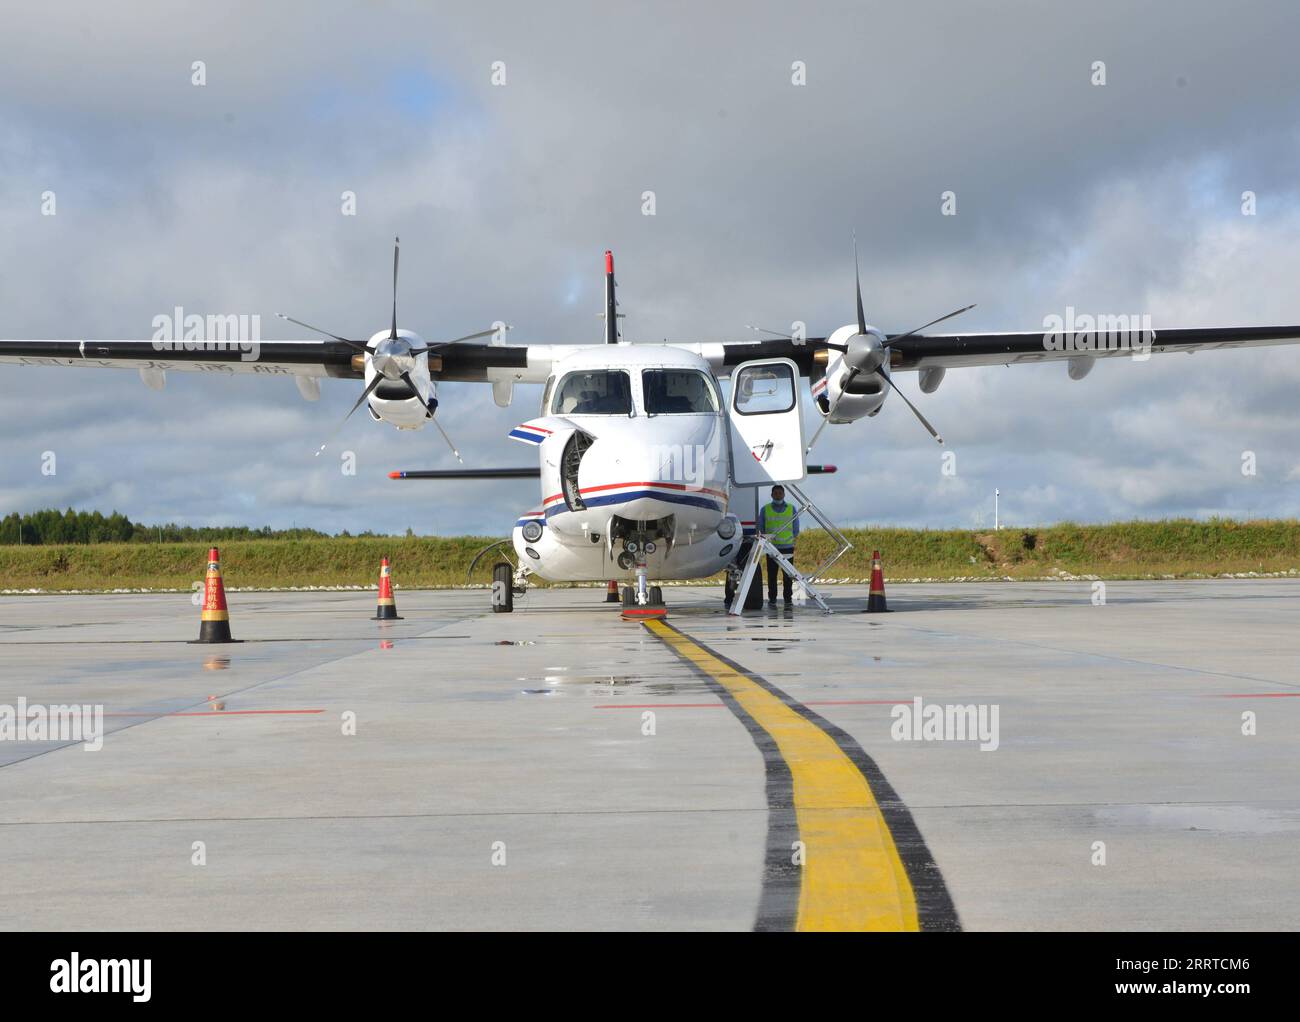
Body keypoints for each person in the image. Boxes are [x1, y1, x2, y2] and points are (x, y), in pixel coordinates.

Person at [759, 484, 799, 606]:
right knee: (772, 575)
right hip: (771, 548)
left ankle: (788, 599)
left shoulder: (792, 508)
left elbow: (796, 529)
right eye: (775, 493)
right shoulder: (765, 509)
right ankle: (772, 599)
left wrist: (789, 539)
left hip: (787, 547)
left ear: (784, 494)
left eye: (780, 493)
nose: (778, 495)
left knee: (788, 576)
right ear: (771, 495)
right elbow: (761, 527)